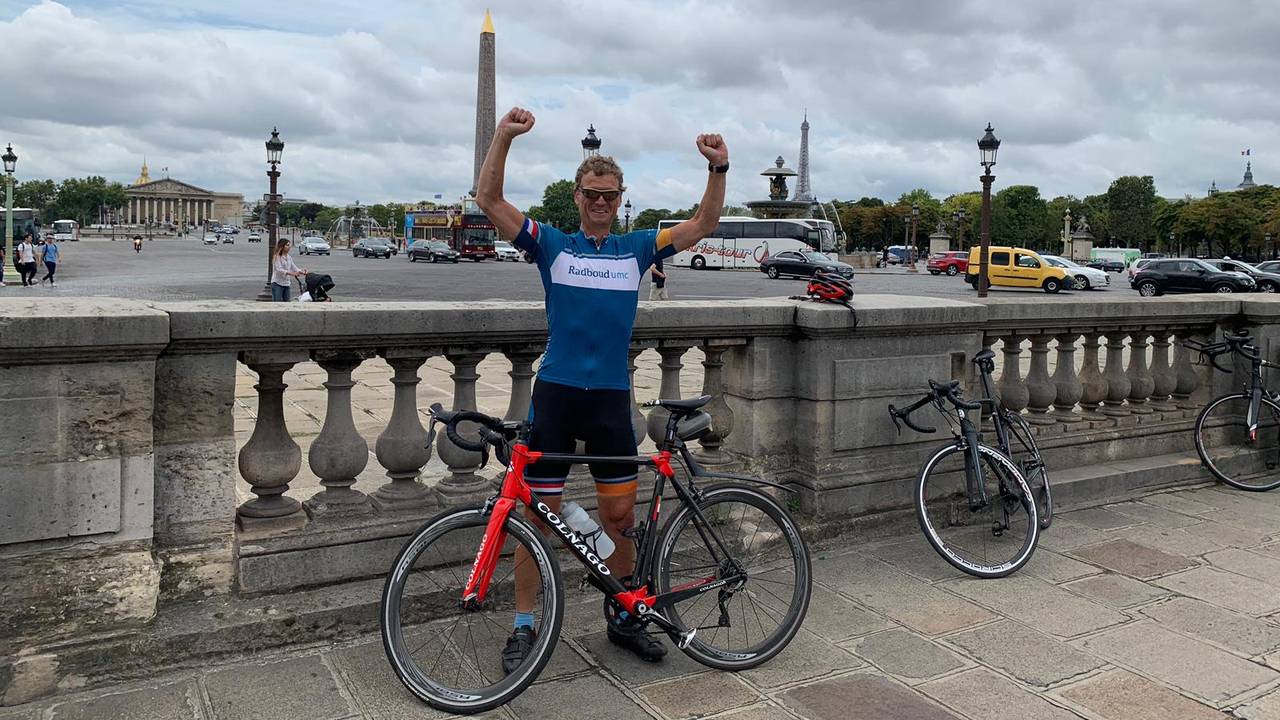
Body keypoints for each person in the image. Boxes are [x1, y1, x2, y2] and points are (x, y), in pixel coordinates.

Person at [475, 106, 727, 673]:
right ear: (577, 195)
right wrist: (503, 137)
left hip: (612, 398)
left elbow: (703, 226)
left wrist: (719, 169)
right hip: (558, 396)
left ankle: (622, 614)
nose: (601, 203)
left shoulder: (636, 247)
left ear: (621, 198)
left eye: (610, 195)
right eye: (592, 193)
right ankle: (523, 625)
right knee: (538, 519)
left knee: (618, 520)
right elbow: (489, 199)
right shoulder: (552, 244)